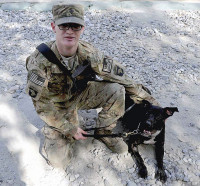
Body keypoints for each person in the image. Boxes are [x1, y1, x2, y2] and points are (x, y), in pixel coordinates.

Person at [26, 4, 159, 170]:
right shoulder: (39, 62)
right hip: (57, 107)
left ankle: (104, 130)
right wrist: (69, 128)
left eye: (75, 26)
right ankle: (54, 132)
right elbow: (42, 106)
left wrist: (149, 100)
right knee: (60, 162)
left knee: (116, 90)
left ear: (82, 28)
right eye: (64, 25)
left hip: (80, 95)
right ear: (54, 27)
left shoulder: (88, 53)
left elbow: (120, 77)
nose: (69, 31)